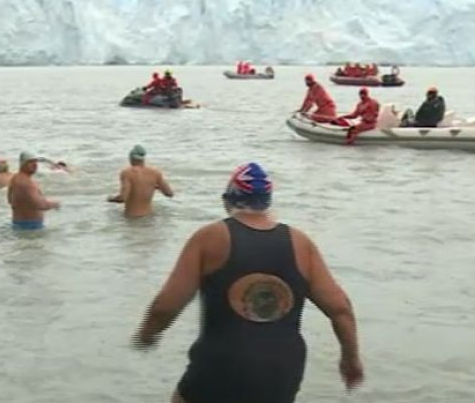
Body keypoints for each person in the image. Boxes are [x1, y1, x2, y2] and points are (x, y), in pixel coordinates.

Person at [132, 162, 364, 403]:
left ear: (228, 200)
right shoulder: (301, 243)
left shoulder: (210, 238)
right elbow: (341, 309)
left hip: (221, 365)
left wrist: (147, 334)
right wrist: (350, 359)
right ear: (267, 200)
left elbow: (166, 306)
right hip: (282, 370)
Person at [107, 144, 173, 218]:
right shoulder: (155, 172)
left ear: (130, 158)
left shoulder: (127, 173)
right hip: (149, 217)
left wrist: (111, 199)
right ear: (143, 159)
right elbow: (169, 193)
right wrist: (156, 187)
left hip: (132, 218)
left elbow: (122, 198)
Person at [7, 151, 60, 230]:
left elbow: (10, 200)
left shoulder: (15, 178)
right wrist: (55, 204)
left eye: (35, 162)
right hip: (31, 227)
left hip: (19, 223)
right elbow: (40, 205)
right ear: (22, 164)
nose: (35, 164)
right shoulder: (26, 183)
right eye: (30, 162)